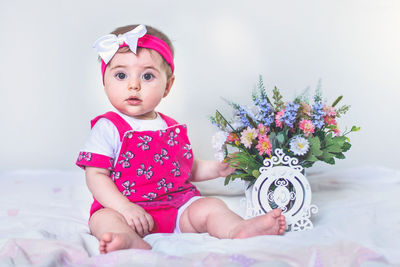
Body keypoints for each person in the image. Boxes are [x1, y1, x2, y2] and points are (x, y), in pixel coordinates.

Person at [76, 24, 286, 254]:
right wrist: (124, 208)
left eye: (147, 76)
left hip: (177, 208)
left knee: (211, 206)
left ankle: (236, 228)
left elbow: (184, 168)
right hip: (126, 211)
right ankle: (126, 239)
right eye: (120, 75)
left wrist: (218, 169)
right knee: (102, 219)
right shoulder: (108, 127)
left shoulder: (171, 127)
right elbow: (96, 176)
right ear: (104, 82)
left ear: (168, 85)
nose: (133, 85)